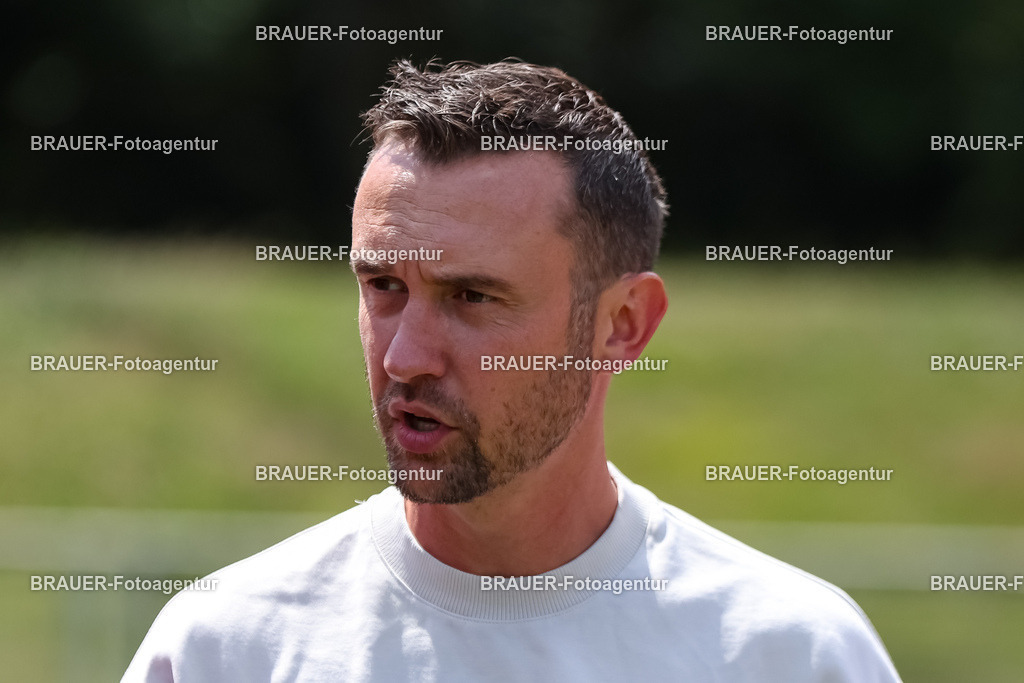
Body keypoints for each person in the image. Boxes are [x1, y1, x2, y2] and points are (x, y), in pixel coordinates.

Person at [123, 59, 901, 682]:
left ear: (622, 324)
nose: (404, 357)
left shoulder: (788, 653)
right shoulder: (226, 648)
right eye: (384, 286)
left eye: (473, 296)